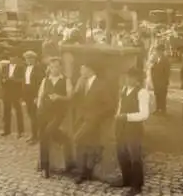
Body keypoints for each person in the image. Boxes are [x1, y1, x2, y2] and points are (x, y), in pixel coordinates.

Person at [72, 62, 115, 185]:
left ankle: (81, 173)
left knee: (78, 141)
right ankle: (87, 172)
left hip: (93, 121)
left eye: (82, 69)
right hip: (82, 119)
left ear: (90, 70)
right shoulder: (82, 81)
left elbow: (110, 105)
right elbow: (76, 97)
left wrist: (96, 116)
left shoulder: (101, 84)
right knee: (87, 145)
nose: (80, 71)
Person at [110, 68, 150, 196]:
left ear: (138, 80)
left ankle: (137, 185)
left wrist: (126, 116)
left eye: (131, 77)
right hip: (121, 127)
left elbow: (144, 114)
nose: (128, 79)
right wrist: (118, 118)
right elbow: (120, 108)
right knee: (122, 154)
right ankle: (126, 179)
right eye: (127, 77)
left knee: (135, 157)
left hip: (134, 129)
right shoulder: (124, 90)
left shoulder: (142, 92)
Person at [36, 57, 74, 178]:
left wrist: (59, 97)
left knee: (47, 133)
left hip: (58, 113)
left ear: (61, 67)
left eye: (56, 67)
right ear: (49, 68)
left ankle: (64, 140)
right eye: (52, 67)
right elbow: (40, 96)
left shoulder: (66, 80)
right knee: (43, 137)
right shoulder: (45, 80)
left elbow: (70, 97)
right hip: (45, 112)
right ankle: (44, 166)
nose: (54, 69)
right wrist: (39, 108)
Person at [0, 52, 24, 138]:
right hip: (7, 92)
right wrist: (3, 81)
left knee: (18, 112)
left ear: (17, 59)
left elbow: (22, 80)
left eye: (14, 58)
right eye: (11, 58)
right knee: (6, 112)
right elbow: (1, 78)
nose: (13, 60)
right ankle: (7, 130)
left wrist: (13, 79)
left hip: (16, 93)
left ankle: (20, 131)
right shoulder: (5, 67)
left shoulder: (20, 68)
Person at [22, 50, 45, 145]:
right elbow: (24, 82)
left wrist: (37, 96)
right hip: (27, 94)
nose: (27, 60)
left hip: (34, 94)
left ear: (33, 59)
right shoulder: (26, 68)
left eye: (28, 58)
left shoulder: (38, 68)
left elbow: (40, 83)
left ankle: (36, 136)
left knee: (35, 115)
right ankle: (33, 135)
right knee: (30, 115)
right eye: (26, 58)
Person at [149, 44, 171, 116]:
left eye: (158, 50)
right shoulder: (157, 58)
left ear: (162, 51)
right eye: (157, 50)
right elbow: (153, 68)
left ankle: (163, 110)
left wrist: (166, 80)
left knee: (162, 96)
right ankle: (158, 109)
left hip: (162, 81)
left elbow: (167, 71)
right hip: (156, 80)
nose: (157, 52)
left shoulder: (165, 59)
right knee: (157, 95)